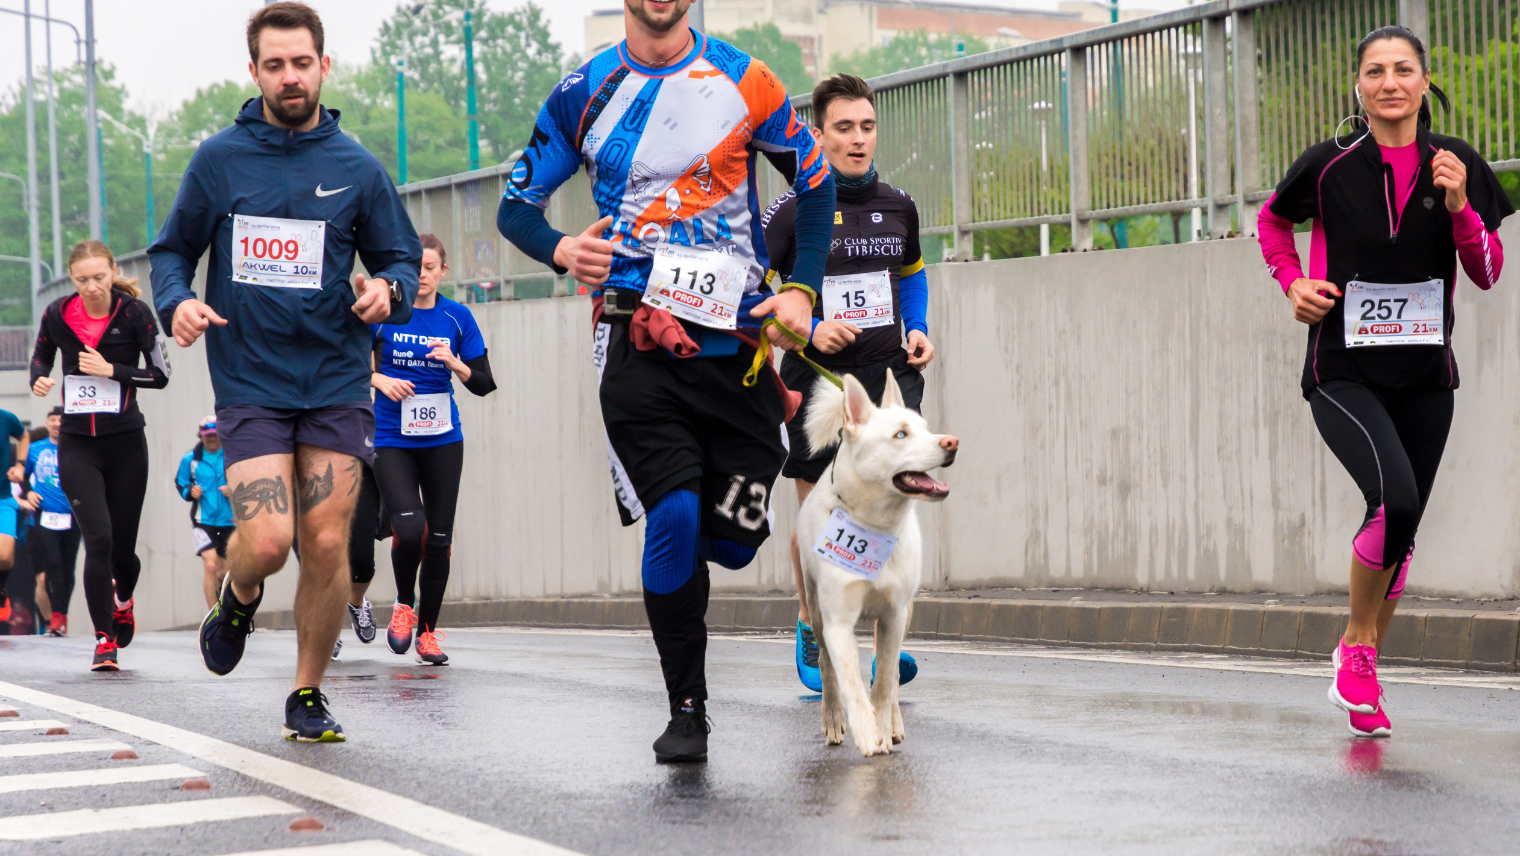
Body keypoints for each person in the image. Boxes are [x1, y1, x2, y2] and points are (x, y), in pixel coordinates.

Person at [498, 0, 833, 763]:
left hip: (738, 345)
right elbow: (516, 209)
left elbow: (816, 189)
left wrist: (801, 292)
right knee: (673, 517)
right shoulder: (583, 91)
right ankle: (687, 708)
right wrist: (559, 251)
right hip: (633, 341)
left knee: (738, 542)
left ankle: (705, 557)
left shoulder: (748, 80)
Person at [147, 2, 420, 741]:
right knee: (267, 541)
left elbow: (399, 259)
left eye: (302, 62)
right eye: (275, 64)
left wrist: (386, 290)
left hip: (335, 377)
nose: (290, 76)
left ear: (324, 66)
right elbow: (171, 250)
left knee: (328, 542)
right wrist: (176, 302)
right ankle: (238, 597)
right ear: (255, 71)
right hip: (254, 381)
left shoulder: (358, 168)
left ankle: (306, 691)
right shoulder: (219, 160)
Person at [1257, 26, 1511, 739]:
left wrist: (1461, 208)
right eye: (1376, 71)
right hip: (1342, 368)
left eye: (1404, 70)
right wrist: (1293, 284)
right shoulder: (1329, 165)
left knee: (1402, 527)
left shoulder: (1458, 163)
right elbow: (1272, 225)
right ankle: (1359, 649)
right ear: (1360, 87)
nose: (1390, 82)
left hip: (1428, 375)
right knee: (1392, 500)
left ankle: (1358, 657)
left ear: (1426, 82)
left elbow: (1488, 274)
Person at [762, 73, 933, 694]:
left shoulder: (899, 203)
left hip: (890, 379)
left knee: (889, 509)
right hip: (820, 383)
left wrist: (917, 328)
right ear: (817, 133)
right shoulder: (791, 211)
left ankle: (884, 633)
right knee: (819, 512)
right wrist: (807, 329)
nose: (857, 139)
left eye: (866, 126)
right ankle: (814, 628)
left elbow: (911, 273)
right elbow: (756, 292)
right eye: (843, 128)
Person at [30, 241, 171, 670]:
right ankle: (104, 638)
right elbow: (41, 359)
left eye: (98, 277)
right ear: (72, 279)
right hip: (77, 444)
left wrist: (113, 371)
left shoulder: (135, 315)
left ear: (112, 272)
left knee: (123, 551)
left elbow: (161, 375)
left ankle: (123, 599)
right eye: (81, 280)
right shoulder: (57, 314)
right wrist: (39, 379)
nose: (91, 287)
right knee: (99, 538)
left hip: (126, 442)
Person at [368, 233, 495, 666]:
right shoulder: (383, 315)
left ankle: (427, 634)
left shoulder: (457, 318)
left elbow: (483, 383)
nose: (421, 274)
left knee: (439, 541)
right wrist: (380, 380)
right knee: (409, 530)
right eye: (414, 266)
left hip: (443, 440)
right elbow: (347, 364)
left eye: (429, 267)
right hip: (391, 438)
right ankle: (405, 604)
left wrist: (454, 362)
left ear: (443, 271)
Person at [25, 408, 79, 636]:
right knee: (52, 564)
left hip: (73, 515)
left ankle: (62, 613)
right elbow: (23, 475)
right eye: (53, 419)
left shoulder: (77, 448)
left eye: (61, 419)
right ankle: (54, 618)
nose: (57, 423)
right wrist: (28, 493)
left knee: (68, 567)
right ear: (47, 423)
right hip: (45, 514)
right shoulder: (35, 449)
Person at [176, 417, 234, 609]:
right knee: (211, 566)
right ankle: (213, 618)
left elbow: (247, 482)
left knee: (225, 572)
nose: (211, 439)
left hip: (230, 522)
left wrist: (233, 489)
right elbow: (181, 483)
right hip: (203, 522)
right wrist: (190, 492)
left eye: (215, 435)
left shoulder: (232, 455)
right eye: (207, 435)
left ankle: (225, 611)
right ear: (200, 435)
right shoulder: (190, 459)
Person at [0, 407, 29, 628]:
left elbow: (23, 436)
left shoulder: (6, 418)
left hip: (2, 499)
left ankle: (1, 587)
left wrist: (20, 465)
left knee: (4, 557)